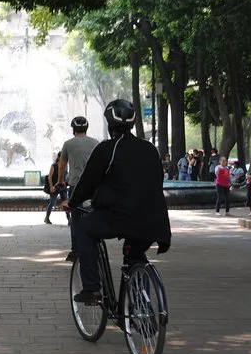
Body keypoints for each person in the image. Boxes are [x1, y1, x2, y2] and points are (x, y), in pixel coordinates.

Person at [61, 99, 171, 303]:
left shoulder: (107, 149)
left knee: (84, 229)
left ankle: (92, 288)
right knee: (135, 253)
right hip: (154, 220)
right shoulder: (150, 149)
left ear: (109, 123)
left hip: (120, 217)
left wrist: (72, 202)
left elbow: (87, 183)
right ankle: (141, 305)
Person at [56, 116, 99, 261]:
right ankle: (95, 246)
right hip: (93, 187)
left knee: (75, 218)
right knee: (94, 215)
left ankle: (75, 250)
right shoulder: (96, 143)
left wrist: (60, 181)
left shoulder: (68, 144)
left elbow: (62, 165)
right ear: (86, 129)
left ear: (73, 130)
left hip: (75, 185)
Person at [43, 151, 61, 224]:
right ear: (59, 157)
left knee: (65, 202)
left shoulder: (65, 165)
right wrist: (51, 187)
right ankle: (47, 217)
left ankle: (69, 219)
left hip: (62, 186)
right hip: (54, 186)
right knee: (52, 202)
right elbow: (49, 177)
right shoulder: (54, 166)